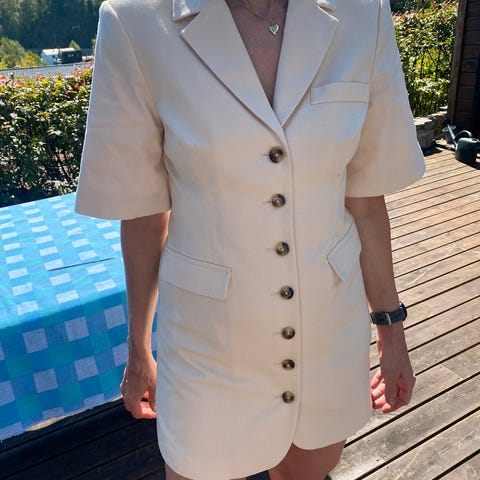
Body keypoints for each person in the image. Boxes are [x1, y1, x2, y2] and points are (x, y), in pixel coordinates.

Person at [75, 0, 426, 478]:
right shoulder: (135, 20)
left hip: (329, 336)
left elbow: (364, 199)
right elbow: (144, 213)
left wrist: (391, 330)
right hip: (209, 346)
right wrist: (139, 346)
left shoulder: (363, 12)